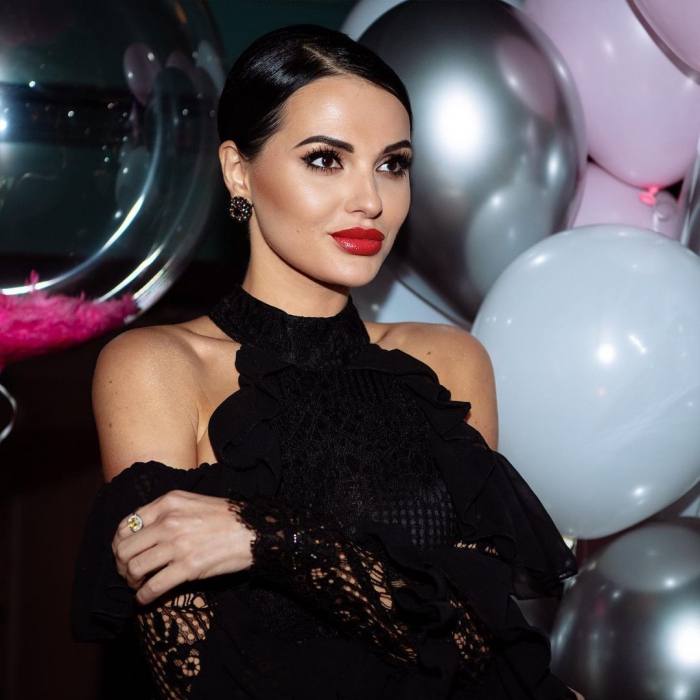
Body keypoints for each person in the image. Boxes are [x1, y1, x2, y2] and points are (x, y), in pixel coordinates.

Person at [70, 23, 584, 700]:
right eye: (324, 159)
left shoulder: (449, 363)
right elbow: (191, 673)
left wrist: (274, 538)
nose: (370, 200)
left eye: (392, 164)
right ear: (239, 170)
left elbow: (474, 639)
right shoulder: (156, 366)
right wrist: (380, 588)